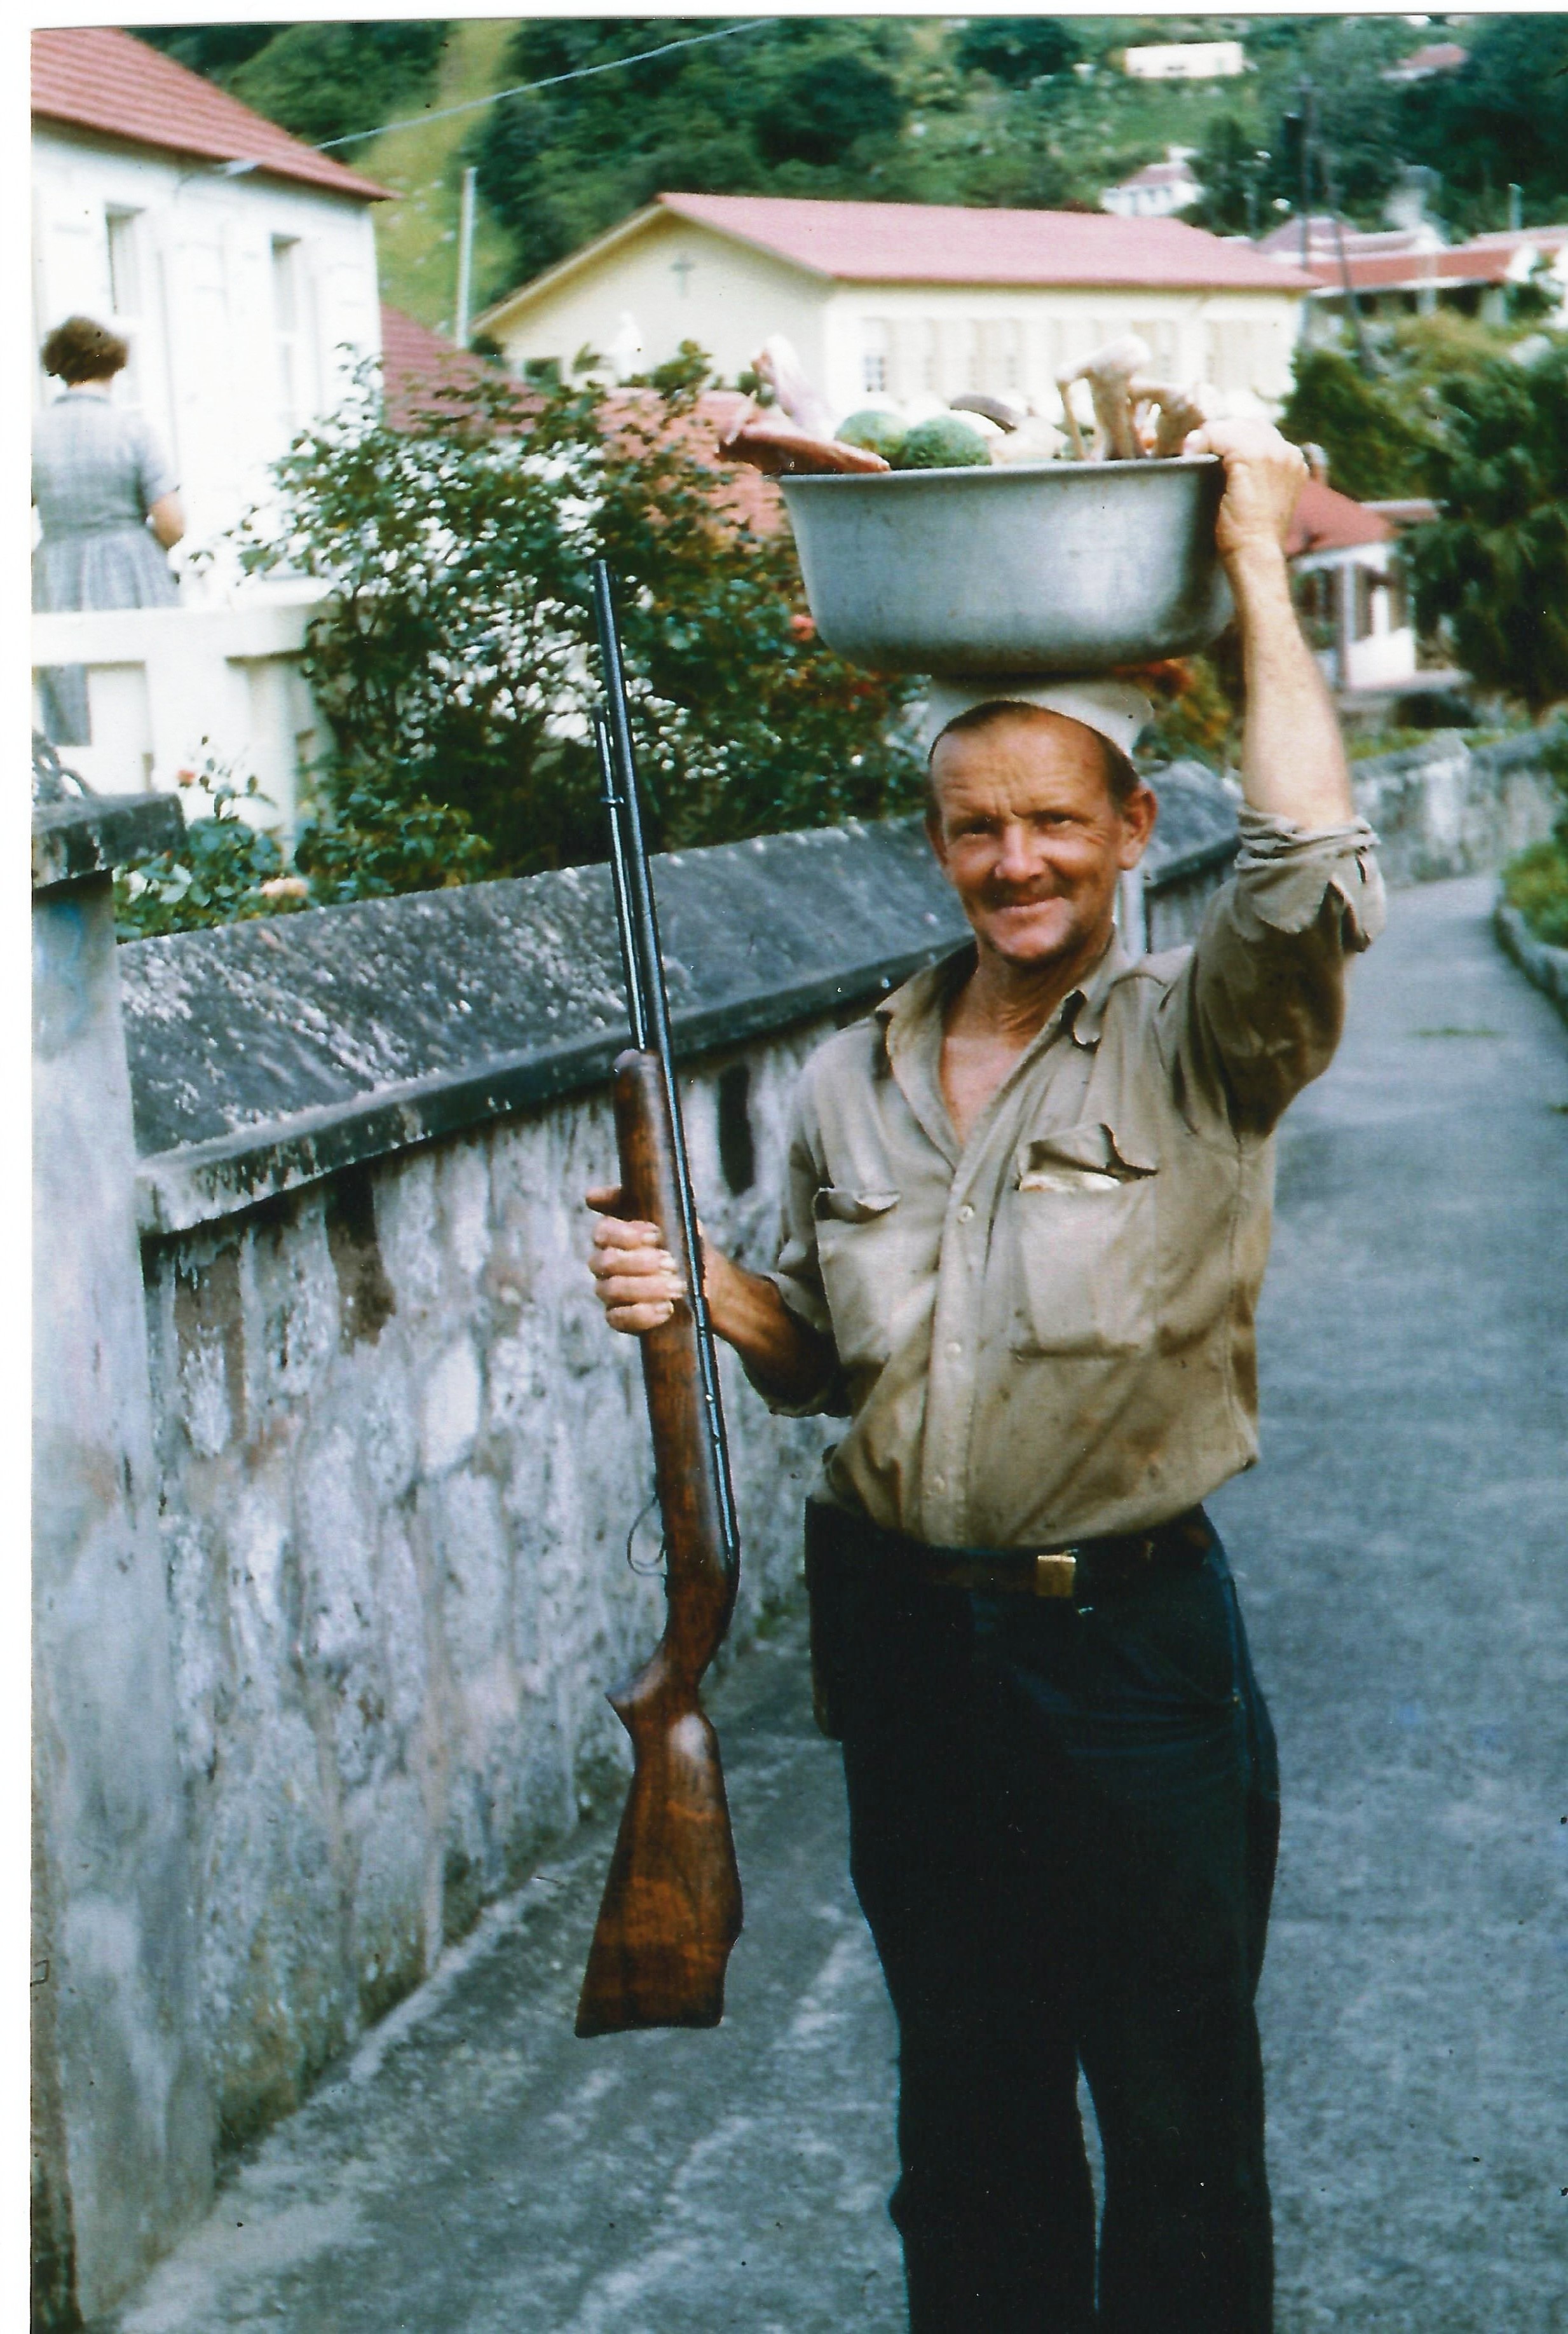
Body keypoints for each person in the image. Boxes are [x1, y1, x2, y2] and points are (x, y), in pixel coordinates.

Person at [586, 419, 1384, 2333]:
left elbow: (1314, 865)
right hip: (907, 1651)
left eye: (1054, 820)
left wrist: (1260, 566)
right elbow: (829, 1369)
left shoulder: (1206, 1038)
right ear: (936, 842)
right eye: (974, 825)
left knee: (1175, 2126)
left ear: (1130, 830)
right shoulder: (855, 1069)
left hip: (1124, 1653)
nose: (1013, 861)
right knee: (967, 2115)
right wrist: (712, 1298)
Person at [32, 314, 185, 745]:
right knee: (149, 703)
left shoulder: (31, 434)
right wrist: (143, 544)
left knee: (76, 711)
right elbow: (172, 523)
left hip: (56, 576)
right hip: (131, 570)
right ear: (114, 367)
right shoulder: (133, 430)